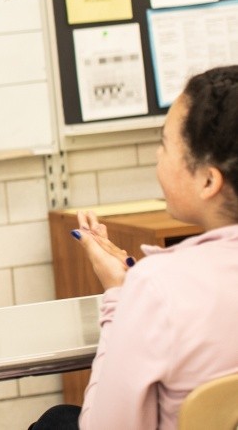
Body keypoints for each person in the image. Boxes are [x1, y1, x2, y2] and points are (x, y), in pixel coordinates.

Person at [30, 65, 238, 430]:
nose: (157, 156)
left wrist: (118, 294)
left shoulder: (158, 286)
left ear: (208, 180)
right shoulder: (158, 283)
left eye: (165, 144)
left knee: (56, 422)